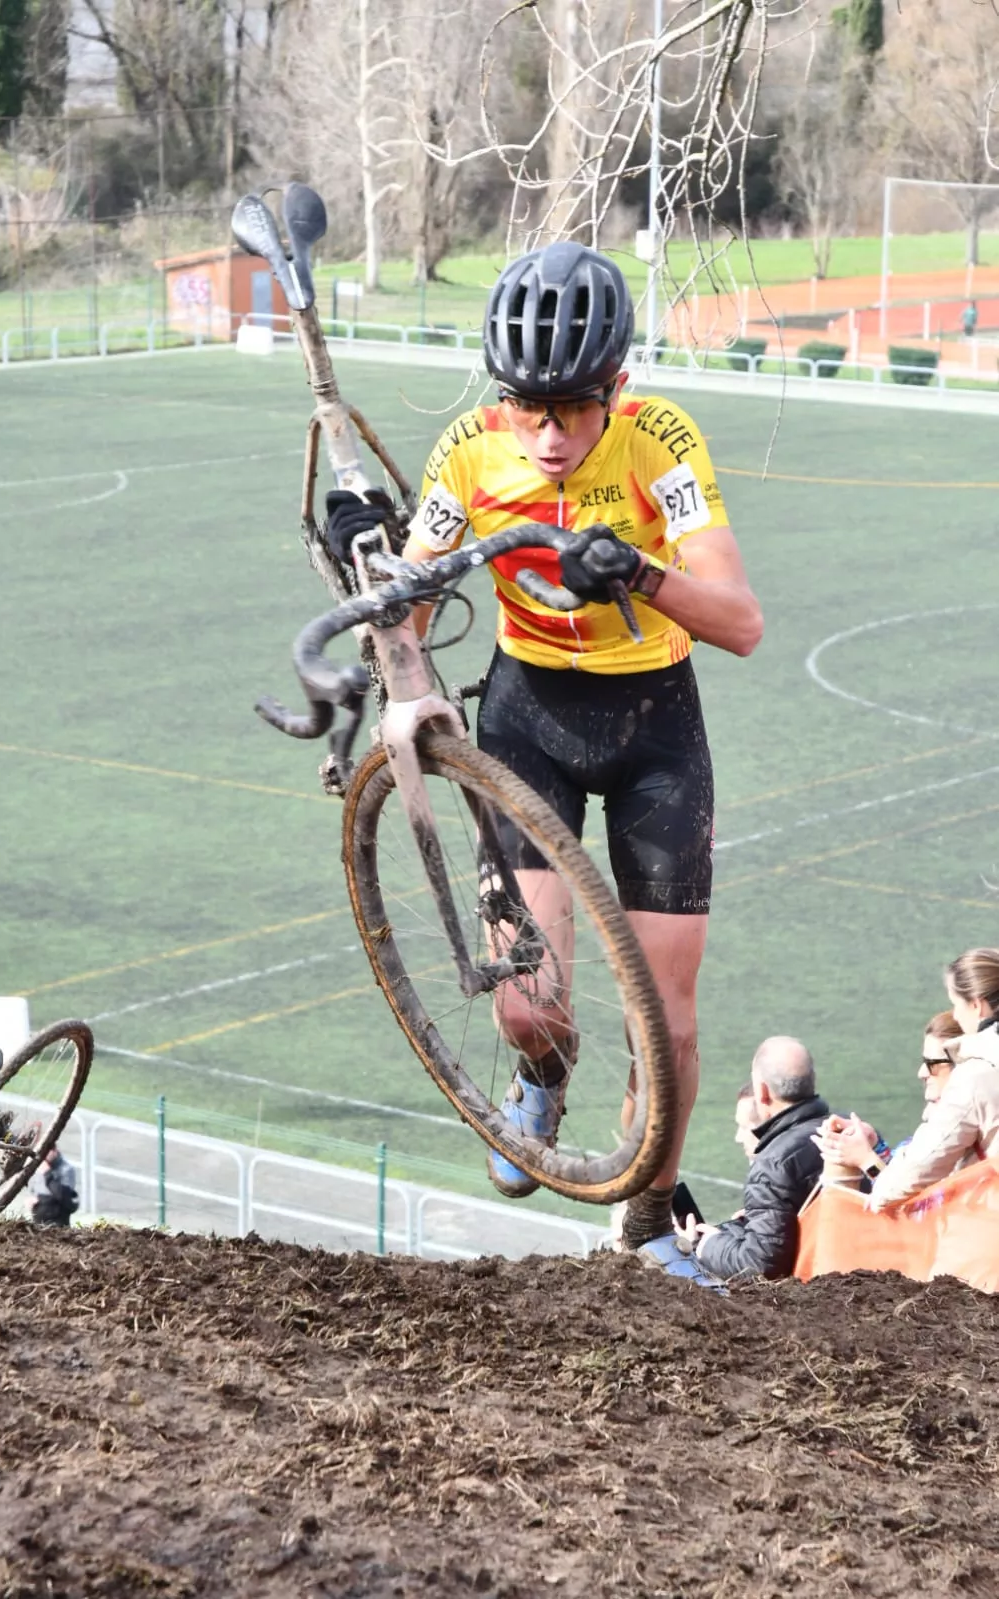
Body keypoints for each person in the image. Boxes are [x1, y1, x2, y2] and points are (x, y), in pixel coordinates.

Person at [325, 240, 763, 1248]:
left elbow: (741, 622)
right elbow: (403, 622)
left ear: (616, 386)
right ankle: (541, 1073)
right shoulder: (470, 451)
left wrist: (640, 572)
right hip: (528, 721)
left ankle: (648, 1222)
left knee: (668, 1023)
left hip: (654, 728)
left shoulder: (659, 440)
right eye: (528, 406)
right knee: (528, 1007)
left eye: (572, 408)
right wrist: (370, 561)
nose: (550, 435)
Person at [820, 950, 999, 1208]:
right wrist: (877, 1149)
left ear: (976, 1005)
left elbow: (910, 1178)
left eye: (956, 1004)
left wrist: (867, 1161)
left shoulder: (976, 1076)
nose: (956, 1015)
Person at [657, 1036, 827, 1282]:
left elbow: (760, 1266)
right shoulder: (844, 1131)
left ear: (763, 1092)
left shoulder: (772, 1164)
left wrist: (705, 1245)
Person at [814, 1009, 961, 1188]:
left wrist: (865, 1160)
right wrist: (874, 1145)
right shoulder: (944, 1129)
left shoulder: (964, 1140)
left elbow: (904, 1196)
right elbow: (901, 1179)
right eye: (924, 1062)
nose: (922, 1073)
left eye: (933, 1064)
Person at [29, 1144, 79, 1227]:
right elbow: (33, 1187)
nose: (44, 1156)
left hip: (57, 1220)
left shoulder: (66, 1169)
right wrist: (32, 1200)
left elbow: (63, 1195)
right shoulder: (39, 1166)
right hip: (38, 1219)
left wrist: (47, 1173)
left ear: (55, 1151)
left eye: (46, 1152)